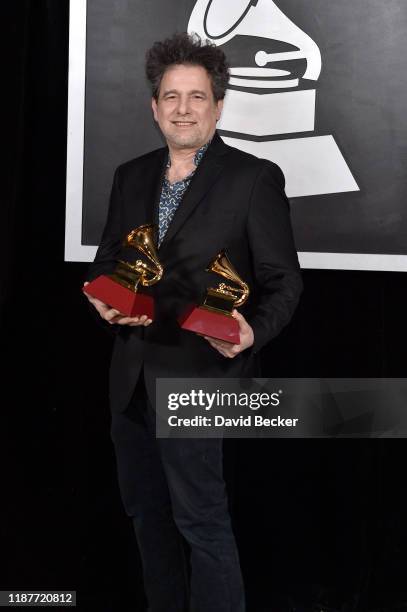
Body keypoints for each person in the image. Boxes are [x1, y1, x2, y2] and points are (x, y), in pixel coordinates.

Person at [84, 32, 303, 612]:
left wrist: (253, 330)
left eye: (197, 97)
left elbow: (284, 281)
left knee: (202, 524)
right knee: (146, 518)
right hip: (129, 377)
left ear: (219, 104)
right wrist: (105, 301)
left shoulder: (253, 178)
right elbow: (110, 260)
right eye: (172, 97)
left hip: (202, 380)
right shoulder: (130, 176)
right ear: (155, 107)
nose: (183, 109)